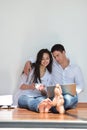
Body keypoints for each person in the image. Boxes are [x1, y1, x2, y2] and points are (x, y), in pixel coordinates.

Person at [23, 44, 85, 110]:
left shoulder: (75, 68)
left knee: (68, 98)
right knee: (51, 100)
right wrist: (28, 62)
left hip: (69, 95)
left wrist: (71, 91)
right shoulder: (53, 64)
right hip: (55, 95)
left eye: (58, 55)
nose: (56, 59)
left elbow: (81, 86)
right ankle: (57, 106)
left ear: (63, 52)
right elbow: (40, 59)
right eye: (54, 57)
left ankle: (57, 105)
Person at [13, 48, 65, 113]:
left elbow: (45, 93)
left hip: (38, 96)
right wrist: (30, 86)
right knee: (29, 101)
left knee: (44, 100)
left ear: (50, 59)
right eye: (42, 59)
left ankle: (53, 106)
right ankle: (42, 106)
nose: (45, 61)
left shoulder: (49, 74)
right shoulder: (31, 69)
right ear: (39, 59)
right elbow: (20, 86)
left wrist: (43, 90)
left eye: (47, 58)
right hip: (24, 95)